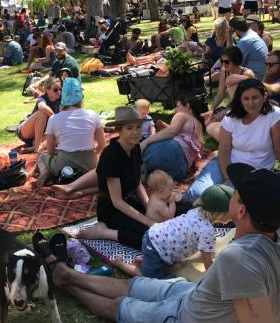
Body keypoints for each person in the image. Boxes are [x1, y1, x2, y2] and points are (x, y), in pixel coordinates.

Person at [35, 164, 280, 323]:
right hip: (191, 296)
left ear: (241, 211)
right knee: (134, 286)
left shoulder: (238, 261)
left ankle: (66, 283)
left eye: (235, 193)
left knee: (119, 306)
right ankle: (66, 274)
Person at [186, 78, 280, 202]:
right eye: (246, 99)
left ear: (265, 96)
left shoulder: (276, 116)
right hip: (226, 165)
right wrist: (228, 177)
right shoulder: (231, 117)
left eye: (255, 97)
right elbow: (224, 151)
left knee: (218, 199)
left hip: (254, 173)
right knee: (194, 194)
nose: (251, 103)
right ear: (240, 100)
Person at [71, 106, 153, 248]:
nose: (136, 132)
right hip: (111, 209)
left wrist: (150, 209)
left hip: (130, 202)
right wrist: (146, 220)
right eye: (130, 128)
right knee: (145, 237)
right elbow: (117, 202)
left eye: (139, 127)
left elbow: (138, 184)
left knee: (167, 216)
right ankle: (102, 232)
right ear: (119, 130)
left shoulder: (136, 149)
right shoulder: (111, 155)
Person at [116, 184, 233, 279]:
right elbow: (206, 258)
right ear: (220, 213)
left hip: (156, 237)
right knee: (152, 280)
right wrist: (213, 278)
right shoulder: (207, 231)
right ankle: (121, 264)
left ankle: (144, 262)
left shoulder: (197, 211)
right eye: (231, 213)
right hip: (156, 247)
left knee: (158, 264)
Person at [35, 78, 105, 187]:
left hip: (63, 164)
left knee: (42, 157)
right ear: (81, 97)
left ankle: (46, 172)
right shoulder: (93, 115)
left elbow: (50, 151)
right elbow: (102, 145)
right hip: (89, 164)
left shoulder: (54, 119)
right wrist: (93, 155)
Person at [139, 96, 204, 181]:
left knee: (135, 158)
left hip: (170, 152)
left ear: (187, 106)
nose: (175, 110)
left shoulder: (182, 115)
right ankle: (146, 175)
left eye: (177, 106)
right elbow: (198, 153)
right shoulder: (199, 126)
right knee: (153, 178)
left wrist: (146, 141)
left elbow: (172, 131)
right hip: (180, 170)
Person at [203, 46, 255, 124]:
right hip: (232, 106)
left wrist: (227, 110)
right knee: (207, 121)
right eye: (222, 61)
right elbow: (220, 94)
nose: (223, 64)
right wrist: (211, 110)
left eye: (226, 62)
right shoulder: (224, 71)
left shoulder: (247, 73)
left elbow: (253, 96)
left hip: (245, 107)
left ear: (235, 60)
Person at [16, 76, 61, 153]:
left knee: (60, 136)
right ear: (47, 90)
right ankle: (37, 147)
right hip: (25, 131)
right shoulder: (43, 98)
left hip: (39, 135)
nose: (59, 92)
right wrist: (55, 117)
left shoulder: (61, 100)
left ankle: (34, 147)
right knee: (42, 113)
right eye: (56, 90)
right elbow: (42, 107)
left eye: (60, 89)